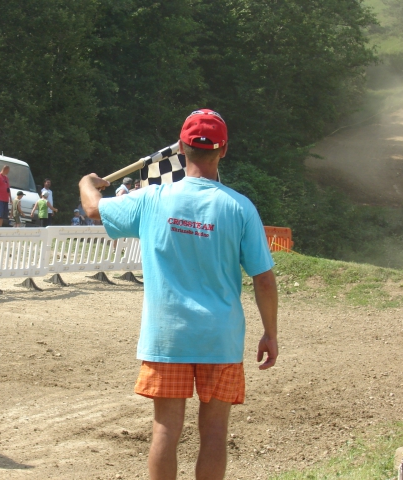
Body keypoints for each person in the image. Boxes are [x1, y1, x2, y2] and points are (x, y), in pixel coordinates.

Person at [78, 108, 278, 480]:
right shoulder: (240, 207)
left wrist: (86, 182)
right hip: (220, 338)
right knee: (214, 432)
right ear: (223, 150)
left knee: (165, 430)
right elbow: (263, 280)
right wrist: (270, 333)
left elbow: (92, 209)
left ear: (182, 148)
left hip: (167, 337)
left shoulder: (151, 199)